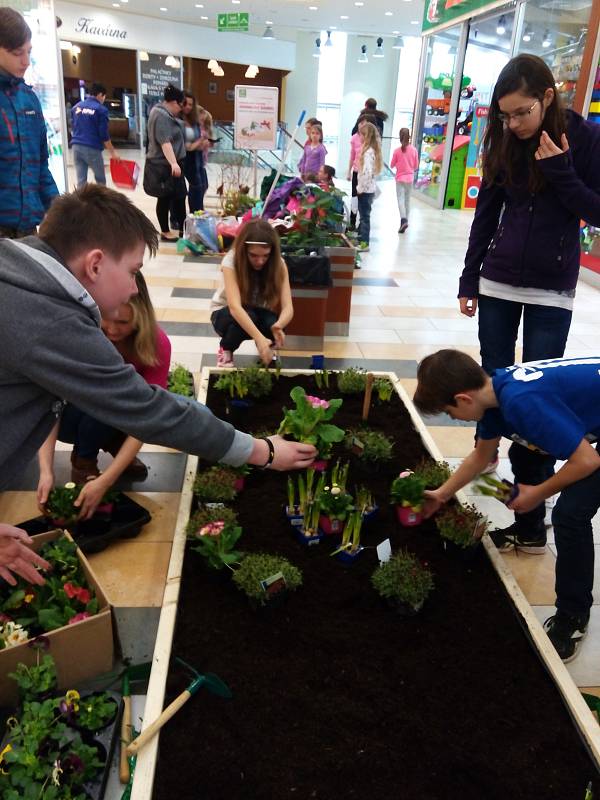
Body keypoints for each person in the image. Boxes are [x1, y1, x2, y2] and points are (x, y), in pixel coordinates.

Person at [0, 185, 316, 580]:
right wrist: (262, 451)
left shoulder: (16, 273)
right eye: (133, 271)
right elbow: (149, 409)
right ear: (95, 264)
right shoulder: (49, 319)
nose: (135, 288)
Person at [458, 54, 600, 550]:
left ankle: (530, 521)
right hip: (498, 282)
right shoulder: (504, 140)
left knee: (537, 400)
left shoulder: (582, 139)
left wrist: (560, 169)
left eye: (521, 113)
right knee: (497, 389)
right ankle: (500, 485)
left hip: (552, 289)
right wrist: (468, 276)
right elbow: (486, 215)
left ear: (547, 98)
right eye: (505, 115)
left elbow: (595, 211)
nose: (512, 124)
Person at [414, 349, 600, 663]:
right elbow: (480, 457)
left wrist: (538, 492)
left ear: (463, 398)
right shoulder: (492, 394)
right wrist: (442, 494)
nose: (454, 419)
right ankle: (530, 535)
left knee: (571, 515)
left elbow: (587, 460)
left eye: (449, 412)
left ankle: (573, 615)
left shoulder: (521, 402)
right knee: (524, 453)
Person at [37, 272, 172, 517]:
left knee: (126, 398)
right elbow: (49, 406)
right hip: (74, 417)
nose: (111, 328)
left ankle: (113, 444)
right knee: (108, 397)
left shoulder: (157, 343)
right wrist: (46, 470)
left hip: (120, 414)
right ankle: (83, 463)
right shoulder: (81, 336)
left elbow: (149, 416)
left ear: (141, 318)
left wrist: (108, 479)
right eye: (106, 319)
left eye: (123, 322)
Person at [0, 8, 58, 238]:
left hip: (27, 230)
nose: (26, 61)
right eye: (16, 53)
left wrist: (58, 209)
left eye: (28, 51)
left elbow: (40, 165)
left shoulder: (29, 99)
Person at [210, 218, 293, 368]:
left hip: (257, 312)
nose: (260, 261)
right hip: (226, 314)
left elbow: (288, 308)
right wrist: (260, 339)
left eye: (265, 256)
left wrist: (278, 326)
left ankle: (267, 352)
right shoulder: (231, 261)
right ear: (244, 251)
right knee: (249, 316)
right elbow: (235, 308)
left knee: (272, 322)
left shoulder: (279, 264)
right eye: (254, 255)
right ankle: (226, 349)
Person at [144, 84, 186, 241]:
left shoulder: (164, 114)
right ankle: (165, 232)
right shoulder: (160, 115)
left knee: (178, 197)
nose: (180, 110)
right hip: (164, 165)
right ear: (174, 102)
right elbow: (165, 142)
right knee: (165, 198)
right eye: (180, 106)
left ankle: (182, 230)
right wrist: (174, 163)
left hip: (170, 163)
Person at [70, 82, 120, 189]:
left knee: (81, 181)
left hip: (76, 147)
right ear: (100, 95)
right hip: (91, 148)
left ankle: (81, 204)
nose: (103, 99)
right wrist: (113, 153)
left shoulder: (76, 107)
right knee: (100, 180)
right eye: (104, 96)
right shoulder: (101, 110)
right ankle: (101, 204)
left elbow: (73, 126)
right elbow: (104, 135)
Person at [347, 114, 377, 231]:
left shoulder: (373, 141)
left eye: (365, 123)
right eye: (360, 123)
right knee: (354, 197)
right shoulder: (354, 138)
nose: (362, 125)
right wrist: (349, 171)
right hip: (356, 172)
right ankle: (352, 222)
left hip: (367, 174)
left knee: (364, 201)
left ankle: (362, 225)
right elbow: (352, 155)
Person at [356, 121, 382, 252]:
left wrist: (360, 188)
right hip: (369, 189)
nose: (359, 137)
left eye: (361, 134)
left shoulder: (367, 152)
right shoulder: (372, 151)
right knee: (364, 216)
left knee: (364, 217)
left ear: (366, 136)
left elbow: (367, 172)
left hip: (365, 190)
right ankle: (361, 240)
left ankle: (364, 243)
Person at [390, 128, 418, 233]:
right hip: (410, 178)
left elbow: (392, 165)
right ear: (409, 136)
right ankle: (405, 221)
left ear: (400, 137)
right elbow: (416, 166)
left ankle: (403, 220)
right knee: (407, 200)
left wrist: (399, 164)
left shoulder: (397, 151)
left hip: (400, 179)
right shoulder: (414, 150)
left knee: (400, 200)